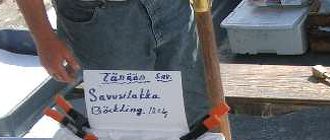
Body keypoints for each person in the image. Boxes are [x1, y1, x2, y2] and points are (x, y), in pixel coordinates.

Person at [15, 0, 210, 123]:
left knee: (193, 107)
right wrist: (43, 36)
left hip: (172, 8)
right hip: (100, 17)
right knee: (130, 124)